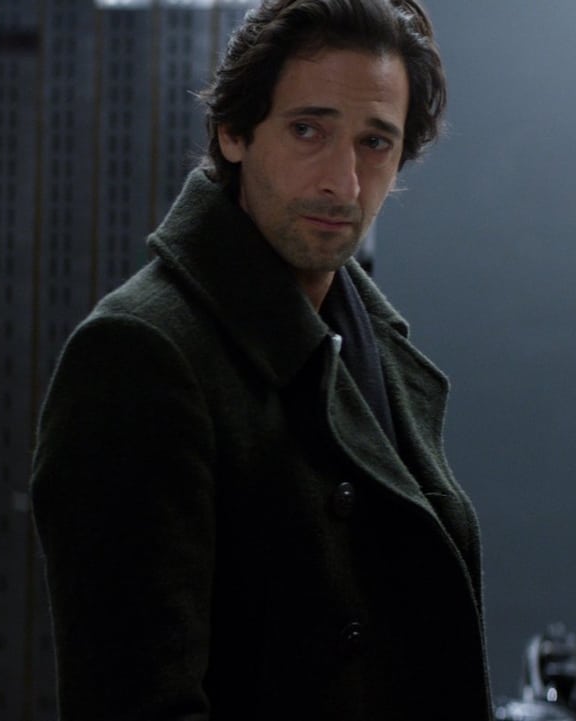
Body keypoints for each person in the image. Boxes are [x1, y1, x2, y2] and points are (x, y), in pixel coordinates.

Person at [30, 0, 490, 718]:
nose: (343, 182)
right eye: (308, 130)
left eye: (375, 142)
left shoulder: (374, 347)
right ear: (234, 131)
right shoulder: (139, 353)